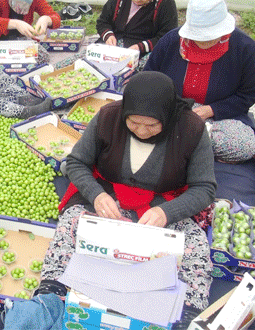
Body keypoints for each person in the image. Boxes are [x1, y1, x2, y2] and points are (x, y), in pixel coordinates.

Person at [39, 72, 216, 329]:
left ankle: (185, 315)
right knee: (69, 226)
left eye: (153, 125)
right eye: (134, 123)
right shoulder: (109, 117)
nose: (142, 131)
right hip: (109, 197)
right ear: (125, 113)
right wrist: (96, 195)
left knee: (195, 246)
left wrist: (167, 212)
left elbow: (205, 188)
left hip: (162, 203)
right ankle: (50, 299)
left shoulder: (190, 129)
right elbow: (76, 162)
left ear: (168, 116)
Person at [144, 0, 255, 163]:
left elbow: (249, 93)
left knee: (243, 145)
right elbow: (149, 77)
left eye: (209, 37)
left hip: (218, 119)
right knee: (139, 125)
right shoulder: (171, 40)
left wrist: (212, 110)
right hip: (173, 110)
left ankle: (176, 143)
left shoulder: (244, 47)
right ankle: (187, 143)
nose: (202, 42)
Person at [96, 0, 178, 69]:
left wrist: (140, 47)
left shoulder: (166, 3)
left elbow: (168, 37)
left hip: (145, 50)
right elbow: (103, 22)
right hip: (114, 45)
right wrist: (108, 35)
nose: (138, 0)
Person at [0, 0, 61, 64]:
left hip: (21, 40)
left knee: (42, 58)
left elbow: (56, 18)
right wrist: (14, 23)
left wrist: (47, 19)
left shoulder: (36, 1)